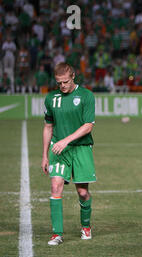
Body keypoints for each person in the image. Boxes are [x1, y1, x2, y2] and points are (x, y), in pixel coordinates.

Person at [41, 62, 97, 246]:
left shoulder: (86, 96)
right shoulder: (51, 98)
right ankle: (57, 234)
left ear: (73, 76)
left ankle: (86, 226)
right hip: (58, 149)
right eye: (59, 83)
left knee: (82, 192)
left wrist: (67, 140)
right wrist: (44, 155)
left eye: (65, 82)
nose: (62, 86)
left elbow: (88, 126)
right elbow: (48, 126)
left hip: (81, 148)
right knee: (56, 186)